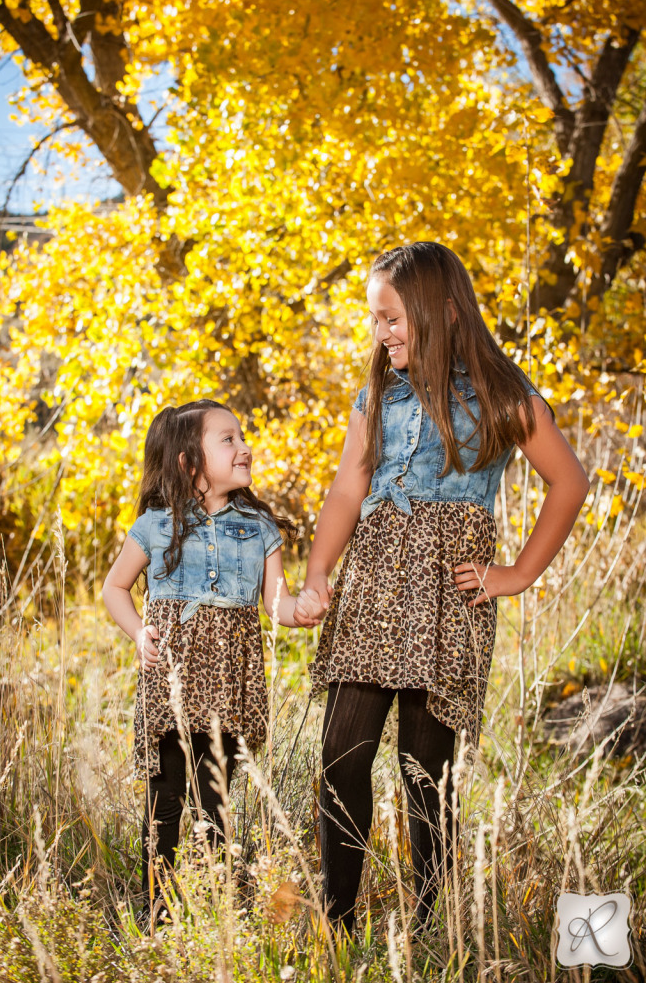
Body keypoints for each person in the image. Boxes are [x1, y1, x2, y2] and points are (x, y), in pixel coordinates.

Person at [295, 242, 590, 937]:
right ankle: (337, 919)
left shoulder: (499, 397)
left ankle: (432, 927)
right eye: (374, 319)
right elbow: (347, 489)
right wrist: (317, 572)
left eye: (393, 317)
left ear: (444, 313)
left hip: (446, 601)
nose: (382, 332)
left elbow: (568, 482)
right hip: (370, 587)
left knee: (424, 768)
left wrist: (515, 573)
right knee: (341, 756)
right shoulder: (376, 397)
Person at [103, 399, 316, 920]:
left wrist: (302, 609)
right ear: (187, 462)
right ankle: (160, 909)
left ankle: (214, 908)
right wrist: (138, 631)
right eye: (228, 439)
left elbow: (275, 603)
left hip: (229, 681)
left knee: (215, 797)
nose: (244, 446)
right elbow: (114, 588)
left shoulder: (259, 528)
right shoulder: (155, 525)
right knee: (166, 797)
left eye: (242, 436)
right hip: (171, 676)